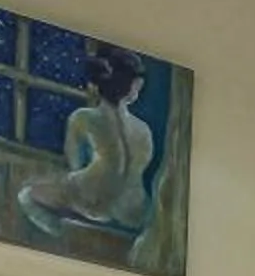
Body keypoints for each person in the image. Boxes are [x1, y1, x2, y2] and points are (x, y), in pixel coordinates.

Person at [17, 46, 156, 240]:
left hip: (93, 204)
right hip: (135, 211)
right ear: (134, 85)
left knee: (27, 194)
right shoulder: (143, 129)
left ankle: (62, 237)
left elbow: (74, 164)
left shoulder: (82, 118)